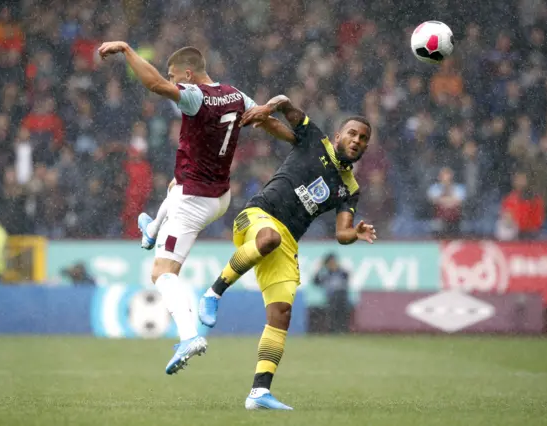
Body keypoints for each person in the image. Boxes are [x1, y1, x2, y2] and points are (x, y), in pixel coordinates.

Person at [97, 43, 294, 375]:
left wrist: (128, 51)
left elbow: (155, 84)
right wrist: (295, 139)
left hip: (194, 202)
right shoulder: (235, 95)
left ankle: (189, 336)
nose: (172, 80)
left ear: (188, 74)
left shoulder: (194, 96)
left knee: (162, 273)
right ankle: (152, 229)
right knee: (175, 184)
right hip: (219, 195)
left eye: (175, 75)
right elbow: (263, 118)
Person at [197, 95, 376, 410]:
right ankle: (214, 292)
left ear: (365, 146)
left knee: (281, 314)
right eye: (352, 133)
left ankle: (259, 392)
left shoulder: (350, 188)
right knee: (268, 239)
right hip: (258, 216)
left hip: (289, 240)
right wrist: (269, 107)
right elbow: (286, 103)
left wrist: (356, 234)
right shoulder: (314, 140)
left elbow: (341, 233)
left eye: (363, 138)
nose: (356, 140)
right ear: (338, 136)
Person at [313, 253, 351, 334]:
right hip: (331, 299)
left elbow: (347, 278)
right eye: (330, 262)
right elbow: (316, 282)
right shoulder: (325, 274)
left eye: (334, 262)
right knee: (332, 308)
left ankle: (342, 329)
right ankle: (334, 330)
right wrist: (319, 269)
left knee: (341, 304)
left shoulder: (341, 272)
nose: (332, 264)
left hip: (342, 299)